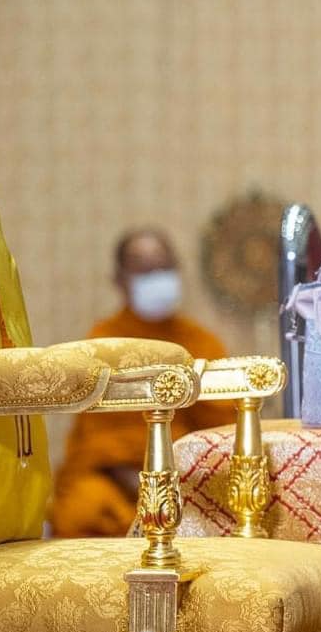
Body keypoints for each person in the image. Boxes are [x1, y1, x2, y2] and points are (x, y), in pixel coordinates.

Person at [48, 228, 229, 537]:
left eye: (164, 266)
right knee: (84, 510)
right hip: (117, 481)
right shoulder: (104, 342)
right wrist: (147, 487)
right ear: (120, 279)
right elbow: (101, 443)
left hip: (185, 476)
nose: (156, 276)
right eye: (144, 269)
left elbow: (221, 430)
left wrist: (180, 484)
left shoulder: (201, 342)